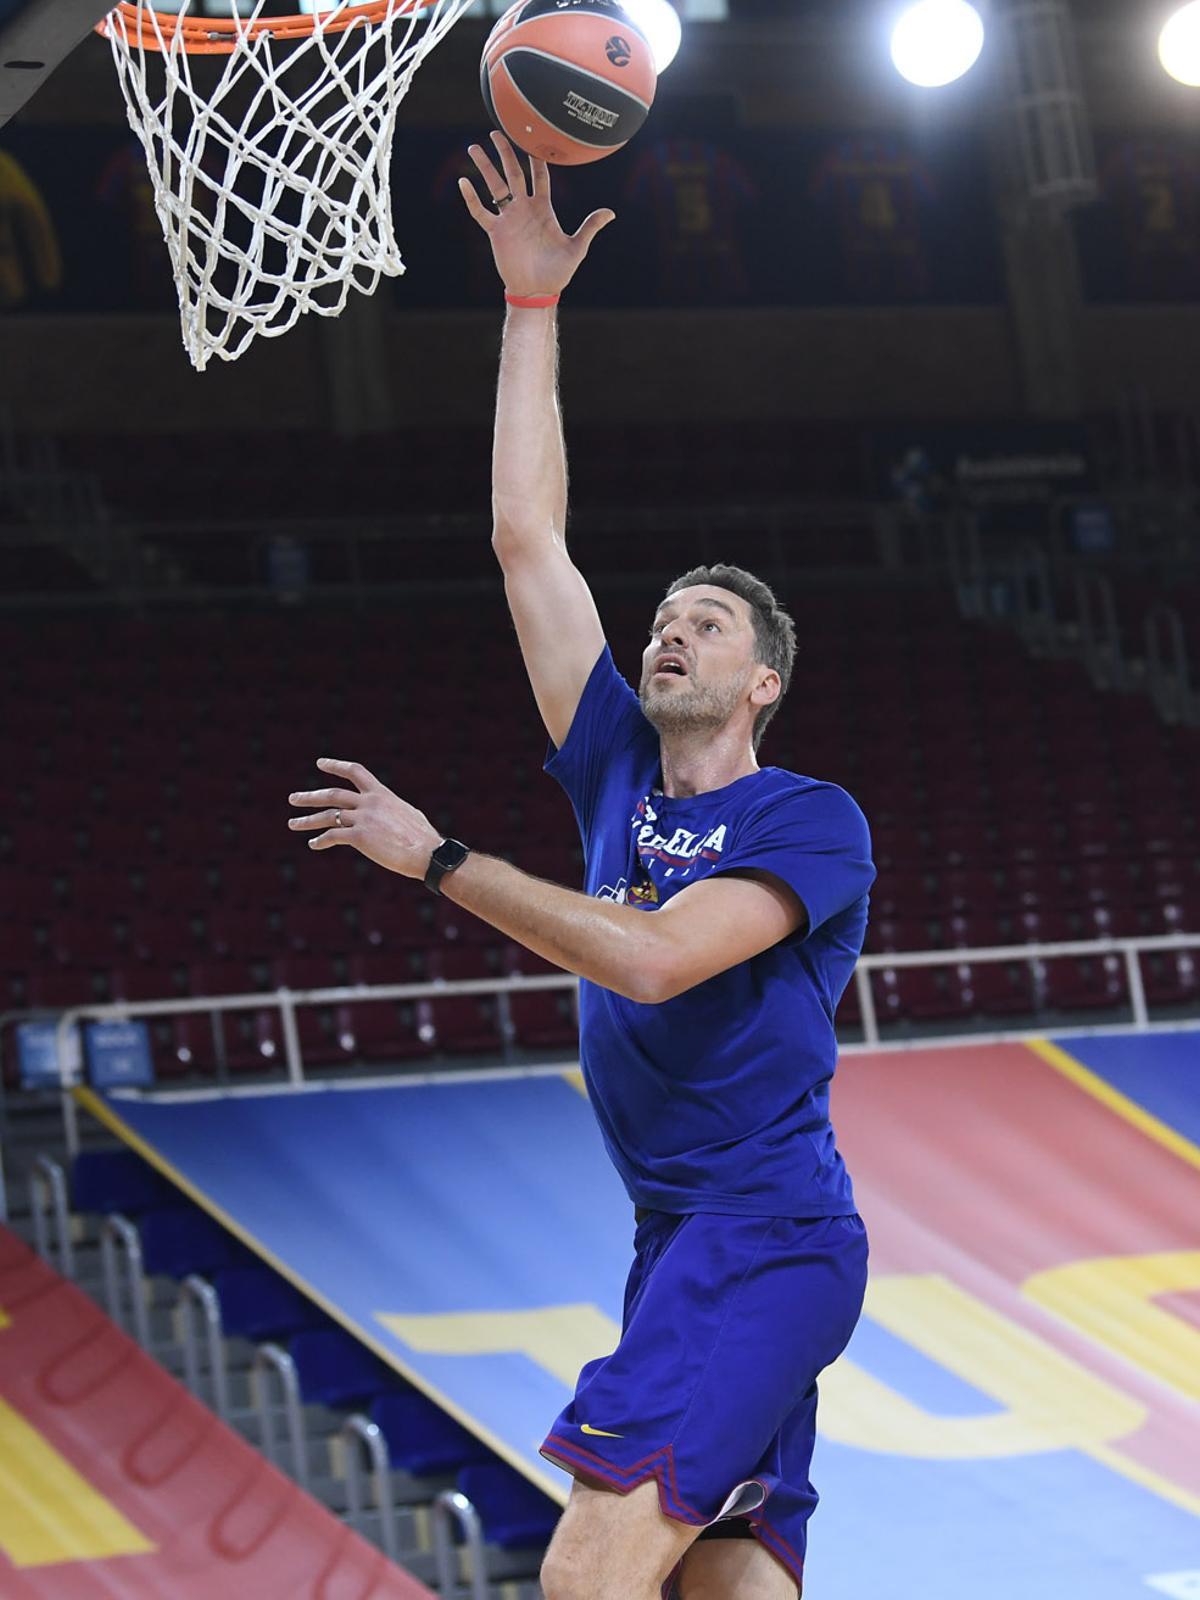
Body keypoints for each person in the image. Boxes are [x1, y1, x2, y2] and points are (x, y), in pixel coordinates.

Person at [288, 132, 874, 1600]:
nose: (671, 630)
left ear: (763, 689)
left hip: (764, 1239)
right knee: (721, 1581)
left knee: (589, 1569)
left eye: (710, 627)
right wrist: (531, 307)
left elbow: (657, 956)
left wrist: (441, 861)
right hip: (680, 1239)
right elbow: (526, 535)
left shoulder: (813, 820)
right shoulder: (613, 758)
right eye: (665, 615)